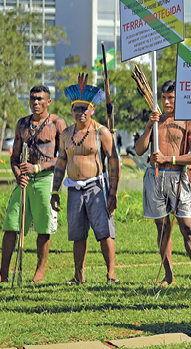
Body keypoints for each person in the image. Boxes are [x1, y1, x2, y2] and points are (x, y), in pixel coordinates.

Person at [134, 80, 191, 287]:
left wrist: (169, 160)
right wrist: (149, 125)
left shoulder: (189, 121)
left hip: (178, 176)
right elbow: (140, 150)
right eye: (164, 98)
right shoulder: (156, 120)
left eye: (171, 98)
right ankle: (168, 275)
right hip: (156, 177)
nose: (167, 102)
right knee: (162, 227)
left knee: (187, 227)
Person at [50, 74, 120, 284]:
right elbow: (61, 162)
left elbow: (114, 162)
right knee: (77, 234)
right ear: (71, 110)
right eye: (76, 108)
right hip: (73, 190)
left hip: (97, 188)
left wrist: (113, 193)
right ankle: (78, 275)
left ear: (92, 109)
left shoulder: (101, 132)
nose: (80, 112)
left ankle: (111, 274)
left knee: (104, 232)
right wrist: (54, 191)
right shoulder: (65, 134)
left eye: (84, 108)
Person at [1, 85, 66, 283]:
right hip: (24, 181)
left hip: (46, 179)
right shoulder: (22, 124)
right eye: (32, 99)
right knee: (11, 224)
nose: (35, 103)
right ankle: (3, 273)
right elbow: (14, 158)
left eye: (39, 99)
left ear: (48, 102)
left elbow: (63, 156)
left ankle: (40, 271)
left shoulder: (57, 123)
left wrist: (36, 168)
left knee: (43, 227)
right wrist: (18, 173)